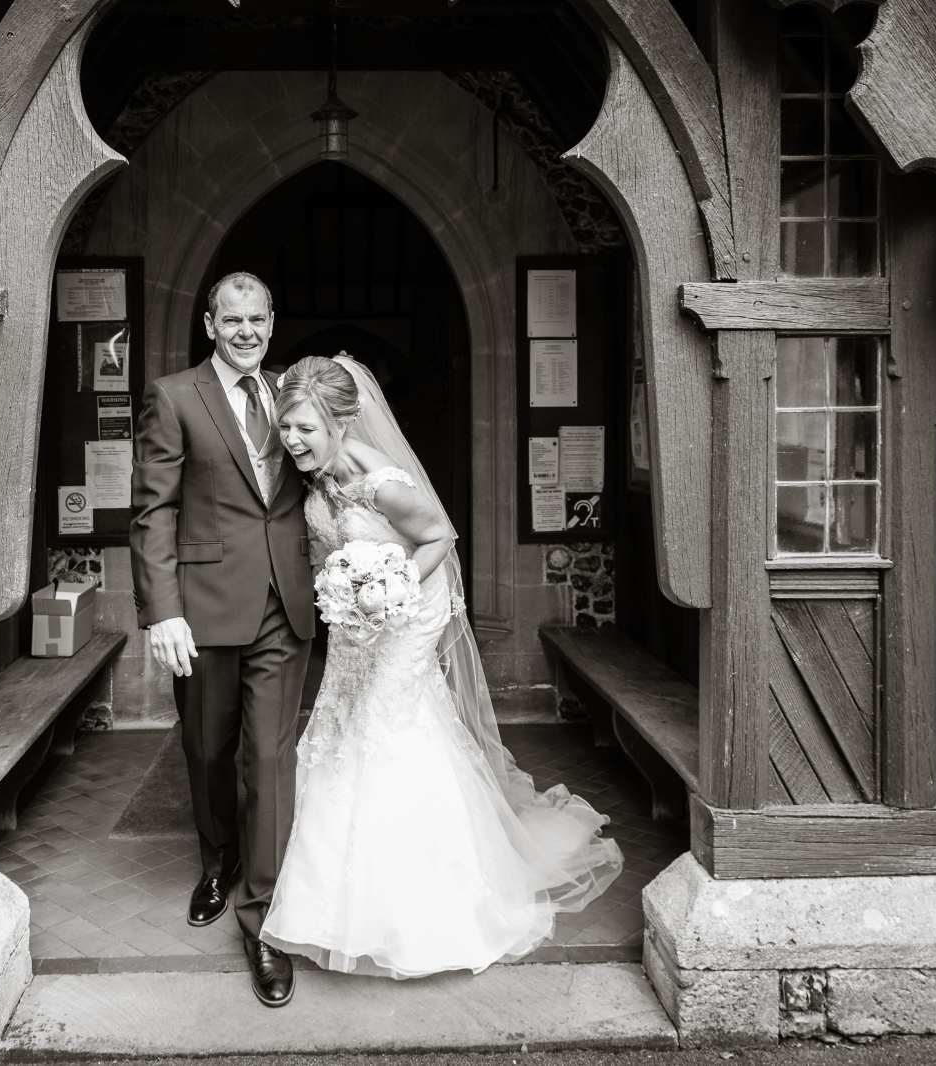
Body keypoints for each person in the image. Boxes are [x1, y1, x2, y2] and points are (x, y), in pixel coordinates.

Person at [260, 354, 623, 979]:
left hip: (405, 617)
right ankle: (326, 895)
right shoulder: (320, 474)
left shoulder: (384, 484)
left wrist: (389, 587)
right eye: (286, 427)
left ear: (341, 424)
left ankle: (418, 905)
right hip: (357, 621)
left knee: (387, 730)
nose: (291, 439)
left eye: (304, 429)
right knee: (339, 728)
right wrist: (346, 591)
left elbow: (440, 537)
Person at [129, 272, 313, 1008]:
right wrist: (161, 611)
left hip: (285, 604)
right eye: (232, 319)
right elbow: (153, 511)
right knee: (208, 751)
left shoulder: (292, 392)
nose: (246, 331)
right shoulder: (174, 397)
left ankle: (263, 919)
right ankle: (219, 860)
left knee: (269, 759)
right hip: (203, 609)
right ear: (210, 325)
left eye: (257, 319)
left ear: (272, 321)